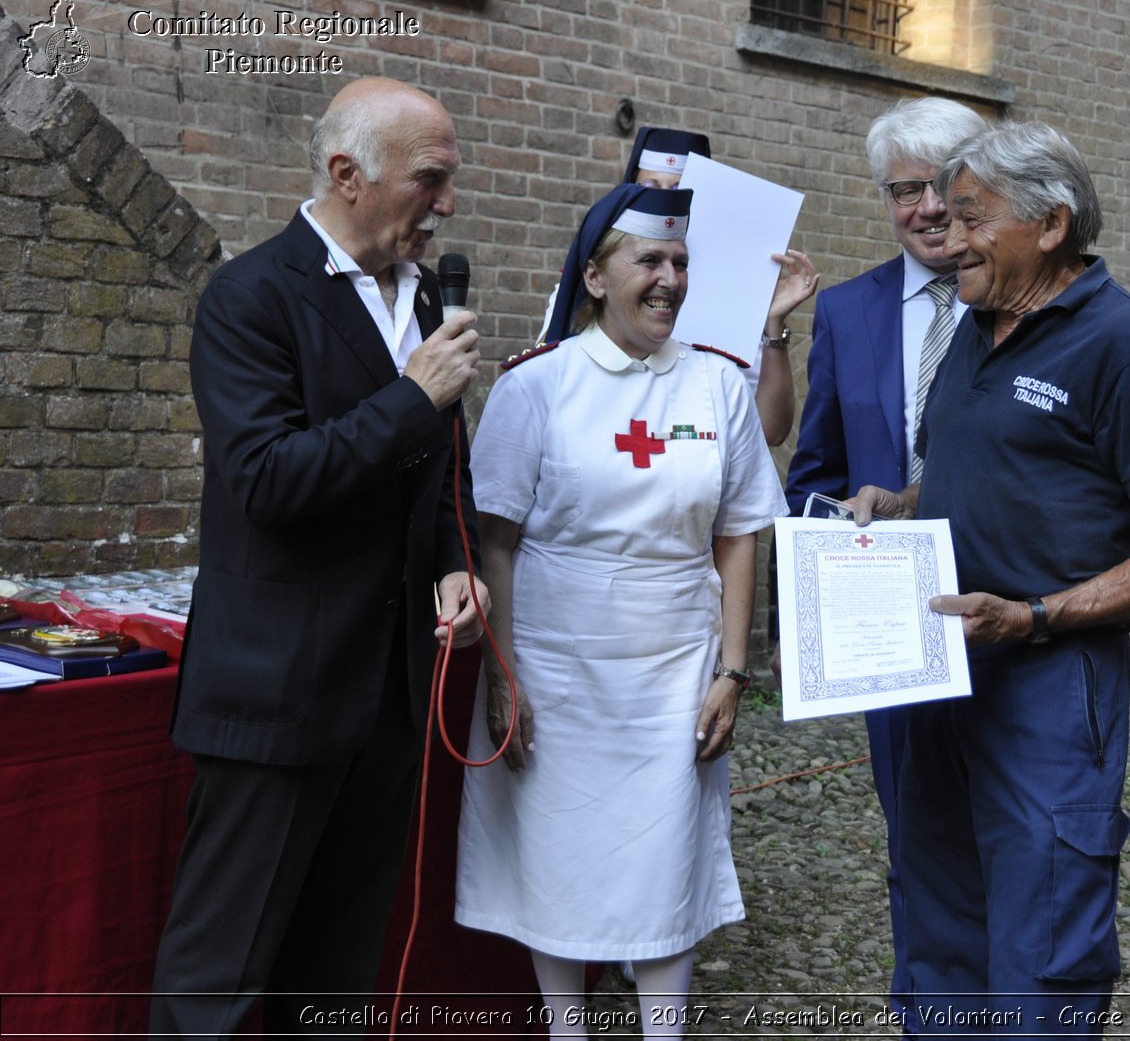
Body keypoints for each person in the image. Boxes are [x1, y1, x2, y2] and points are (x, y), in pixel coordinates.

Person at [848, 122, 1130, 1034]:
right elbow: (991, 469)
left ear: (1050, 224)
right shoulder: (975, 323)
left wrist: (1035, 615)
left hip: (1050, 685)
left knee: (1043, 931)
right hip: (943, 668)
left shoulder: (1125, 344)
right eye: (940, 210)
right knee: (936, 908)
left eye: (970, 214)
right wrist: (903, 504)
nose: (946, 229)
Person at [149, 77, 487, 1036]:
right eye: (431, 178)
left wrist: (453, 561)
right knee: (217, 977)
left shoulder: (423, 302)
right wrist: (409, 399)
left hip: (388, 697)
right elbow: (266, 481)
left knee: (337, 974)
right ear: (348, 173)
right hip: (276, 697)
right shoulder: (251, 296)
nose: (449, 204)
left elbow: (439, 471)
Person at [454, 184, 788, 1039]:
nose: (670, 278)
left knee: (663, 850)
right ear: (597, 278)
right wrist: (504, 672)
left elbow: (741, 533)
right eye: (650, 260)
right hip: (557, 663)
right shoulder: (538, 387)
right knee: (557, 852)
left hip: (677, 660)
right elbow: (494, 542)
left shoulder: (716, 385)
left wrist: (734, 667)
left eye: (680, 261)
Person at [781, 94, 984, 1022]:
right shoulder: (854, 311)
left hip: (1009, 607)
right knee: (914, 829)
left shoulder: (1014, 302)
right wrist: (836, 529)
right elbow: (811, 473)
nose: (928, 207)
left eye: (946, 184)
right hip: (892, 627)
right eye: (907, 189)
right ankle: (929, 1009)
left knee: (1012, 835)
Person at [537, 125, 813, 445]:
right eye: (651, 187)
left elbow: (769, 431)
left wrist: (773, 324)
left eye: (681, 189)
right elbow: (547, 384)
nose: (665, 200)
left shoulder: (737, 302)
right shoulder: (596, 286)